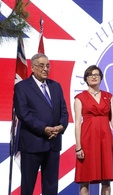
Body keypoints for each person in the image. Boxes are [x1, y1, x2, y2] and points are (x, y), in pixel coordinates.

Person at [13, 53, 69, 195]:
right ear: (32, 68)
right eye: (41, 65)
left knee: (51, 186)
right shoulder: (22, 87)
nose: (45, 69)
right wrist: (43, 129)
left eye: (48, 66)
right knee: (28, 185)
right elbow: (23, 114)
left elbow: (64, 112)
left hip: (53, 143)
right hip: (32, 143)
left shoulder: (56, 86)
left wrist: (61, 127)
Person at [74, 65, 113, 195]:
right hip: (87, 139)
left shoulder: (108, 96)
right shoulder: (80, 97)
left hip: (105, 139)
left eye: (96, 74)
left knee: (106, 179)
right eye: (90, 75)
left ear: (101, 78)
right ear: (86, 79)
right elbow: (78, 122)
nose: (94, 77)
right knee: (85, 178)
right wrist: (78, 146)